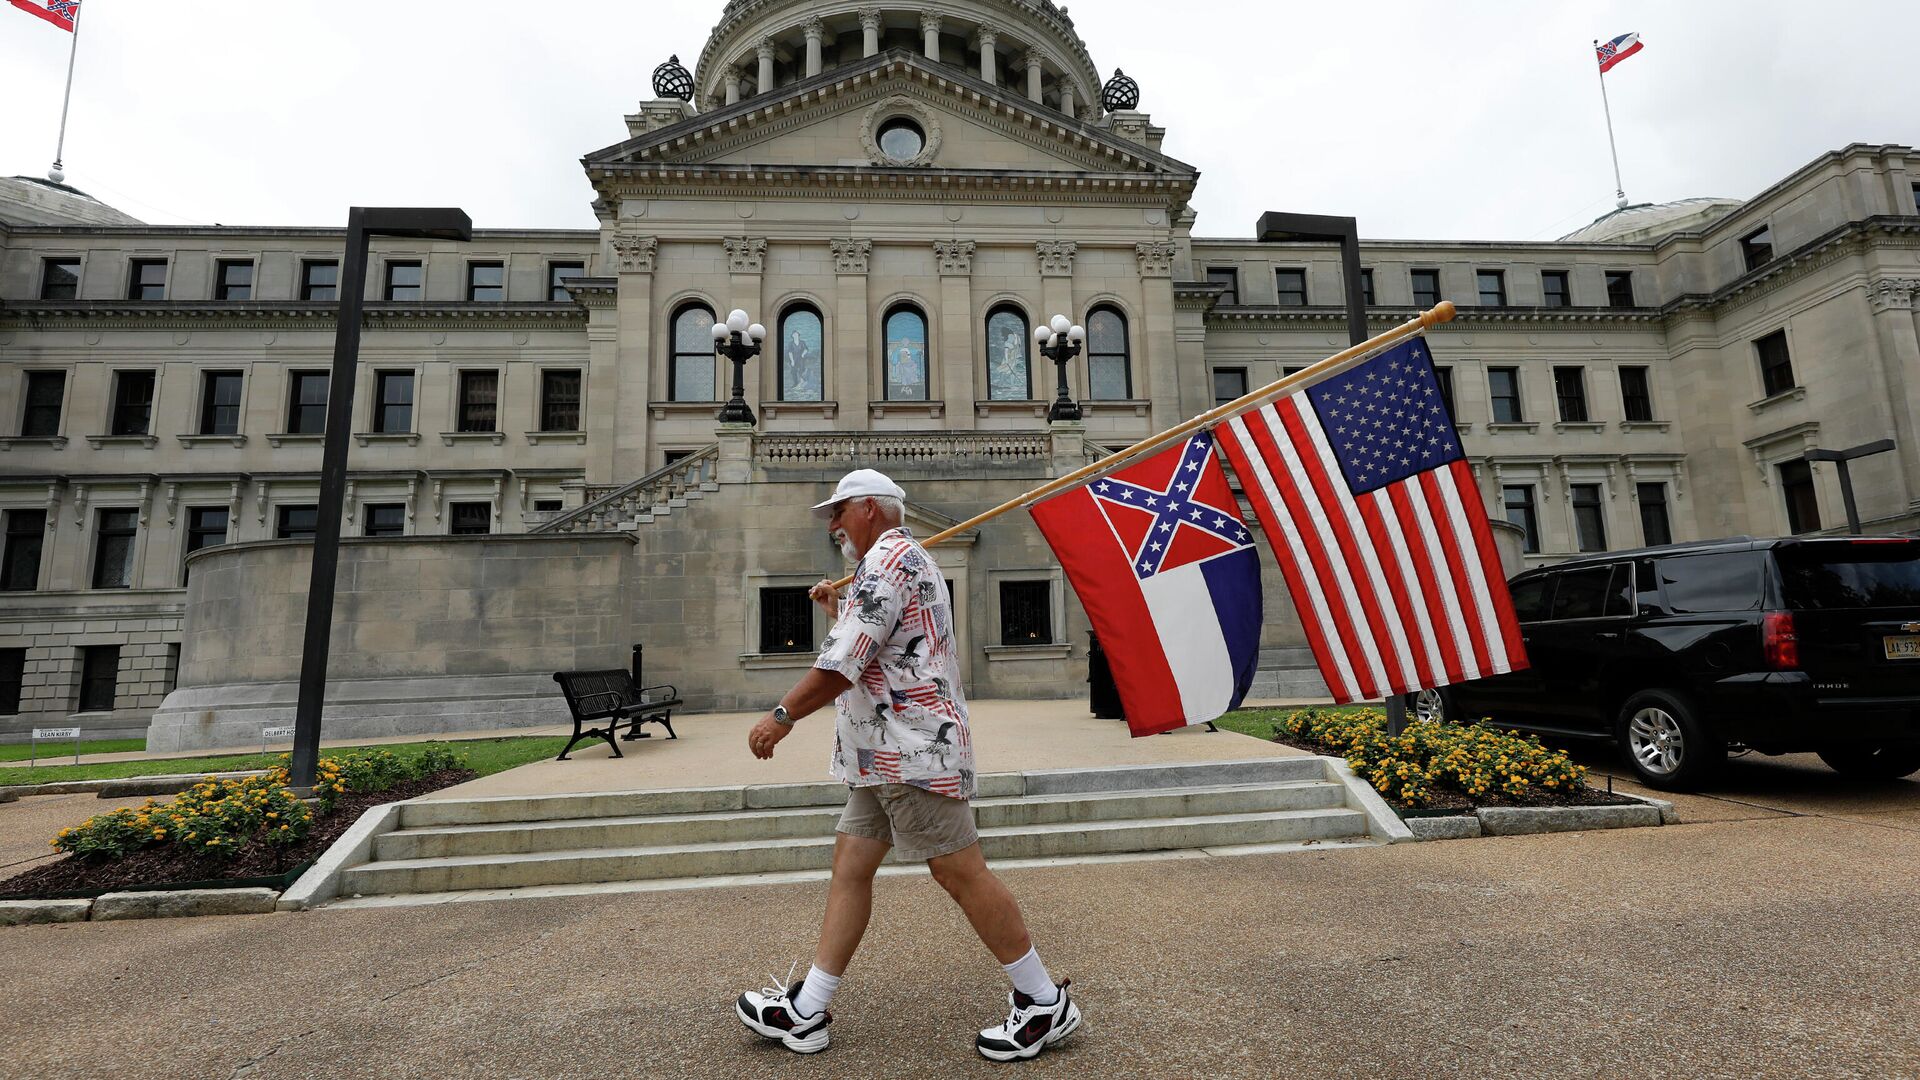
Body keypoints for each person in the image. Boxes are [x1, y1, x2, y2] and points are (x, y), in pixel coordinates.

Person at [734, 468, 1082, 1061]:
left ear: (871, 508)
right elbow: (878, 647)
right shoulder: (894, 564)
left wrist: (781, 718)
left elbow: (843, 665)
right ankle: (810, 1009)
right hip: (882, 754)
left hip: (910, 753)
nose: (834, 524)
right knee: (851, 866)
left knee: (960, 872)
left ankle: (1044, 1001)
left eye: (839, 511)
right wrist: (839, 607)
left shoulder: (889, 562)